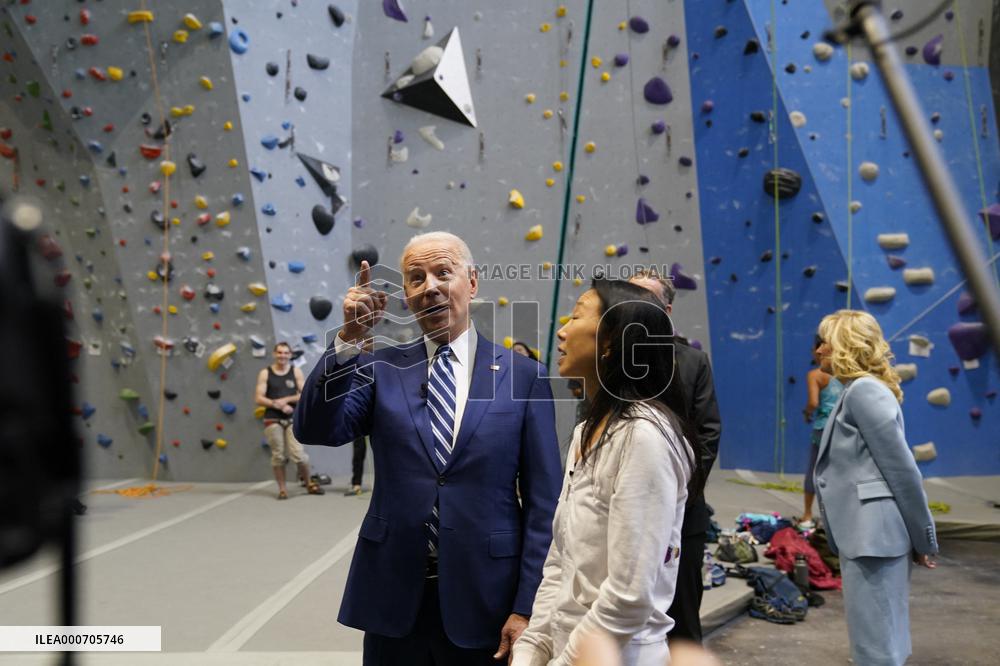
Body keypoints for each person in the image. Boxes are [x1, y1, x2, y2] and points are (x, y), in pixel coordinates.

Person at [294, 231, 563, 665]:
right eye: (416, 278)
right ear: (406, 295)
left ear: (471, 283)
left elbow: (543, 503)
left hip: (487, 598)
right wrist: (347, 339)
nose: (430, 286)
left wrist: (528, 604)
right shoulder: (380, 367)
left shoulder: (523, 376)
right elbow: (314, 428)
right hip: (394, 597)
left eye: (443, 272)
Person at [512, 279, 705, 666]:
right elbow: (560, 560)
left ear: (610, 341)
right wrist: (532, 648)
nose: (562, 331)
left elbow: (628, 598)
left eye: (576, 316)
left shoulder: (644, 437)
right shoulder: (587, 431)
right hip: (572, 646)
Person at [814, 310, 938, 666]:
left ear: (843, 347)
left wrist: (924, 537)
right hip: (868, 535)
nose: (819, 350)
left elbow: (901, 470)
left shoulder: (864, 391)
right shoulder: (856, 390)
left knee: (877, 648)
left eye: (825, 342)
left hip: (873, 537)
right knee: (879, 642)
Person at [629, 271, 721, 644]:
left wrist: (672, 493)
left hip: (682, 515)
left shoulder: (693, 362)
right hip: (624, 515)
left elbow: (708, 433)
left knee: (681, 623)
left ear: (666, 309)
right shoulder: (610, 361)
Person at [255, 342, 325, 500]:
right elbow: (258, 397)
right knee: (278, 455)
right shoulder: (265, 373)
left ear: (290, 355)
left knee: (299, 455)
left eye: (286, 353)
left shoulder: (296, 371)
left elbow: (304, 393)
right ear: (274, 354)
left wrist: (285, 400)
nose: (282, 356)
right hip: (272, 418)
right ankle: (282, 489)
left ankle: (308, 484)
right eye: (279, 352)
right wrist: (277, 405)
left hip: (293, 418)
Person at [800, 335, 843, 529]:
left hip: (823, 428)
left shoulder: (815, 375)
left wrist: (807, 412)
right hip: (842, 428)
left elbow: (814, 402)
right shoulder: (844, 373)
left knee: (814, 470)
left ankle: (808, 514)